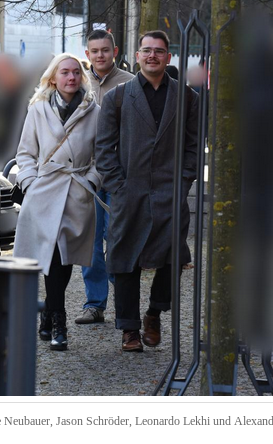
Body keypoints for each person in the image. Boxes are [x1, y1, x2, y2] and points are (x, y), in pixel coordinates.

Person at [95, 30, 199, 352]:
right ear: (137, 56)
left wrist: (183, 182)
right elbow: (103, 149)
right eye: (147, 50)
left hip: (171, 192)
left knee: (173, 257)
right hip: (130, 192)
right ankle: (129, 329)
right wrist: (119, 188)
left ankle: (154, 313)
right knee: (125, 260)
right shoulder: (118, 97)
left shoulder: (187, 98)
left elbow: (194, 147)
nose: (152, 55)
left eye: (159, 51)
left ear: (168, 57)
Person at [13, 53, 101, 351]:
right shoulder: (38, 108)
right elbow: (25, 152)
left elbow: (103, 154)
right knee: (51, 255)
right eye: (65, 72)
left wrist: (92, 181)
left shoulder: (94, 111)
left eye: (76, 72)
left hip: (76, 192)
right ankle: (58, 322)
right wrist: (29, 182)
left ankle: (49, 314)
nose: (71, 77)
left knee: (64, 257)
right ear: (52, 78)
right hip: (44, 192)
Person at [74, 29, 133, 325]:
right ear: (87, 54)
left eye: (105, 50)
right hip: (88, 174)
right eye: (94, 51)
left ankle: (123, 298)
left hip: (120, 173)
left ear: (115, 51)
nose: (100, 55)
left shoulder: (130, 84)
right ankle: (94, 303)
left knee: (119, 238)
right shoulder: (78, 83)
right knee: (91, 242)